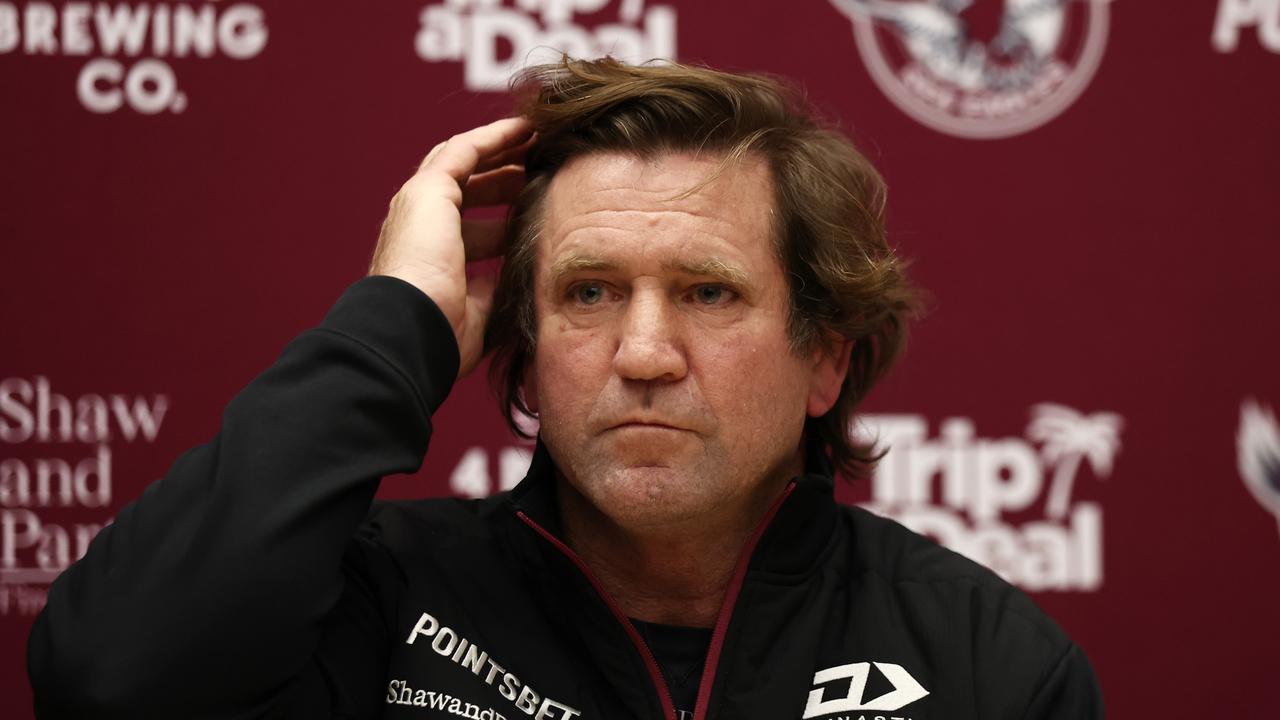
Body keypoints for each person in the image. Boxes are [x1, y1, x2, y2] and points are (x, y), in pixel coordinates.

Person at [27, 57, 1102, 719]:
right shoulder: (377, 605)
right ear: (526, 351)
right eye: (588, 293)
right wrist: (390, 327)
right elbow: (109, 681)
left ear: (824, 357)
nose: (642, 352)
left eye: (708, 293)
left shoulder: (982, 663)